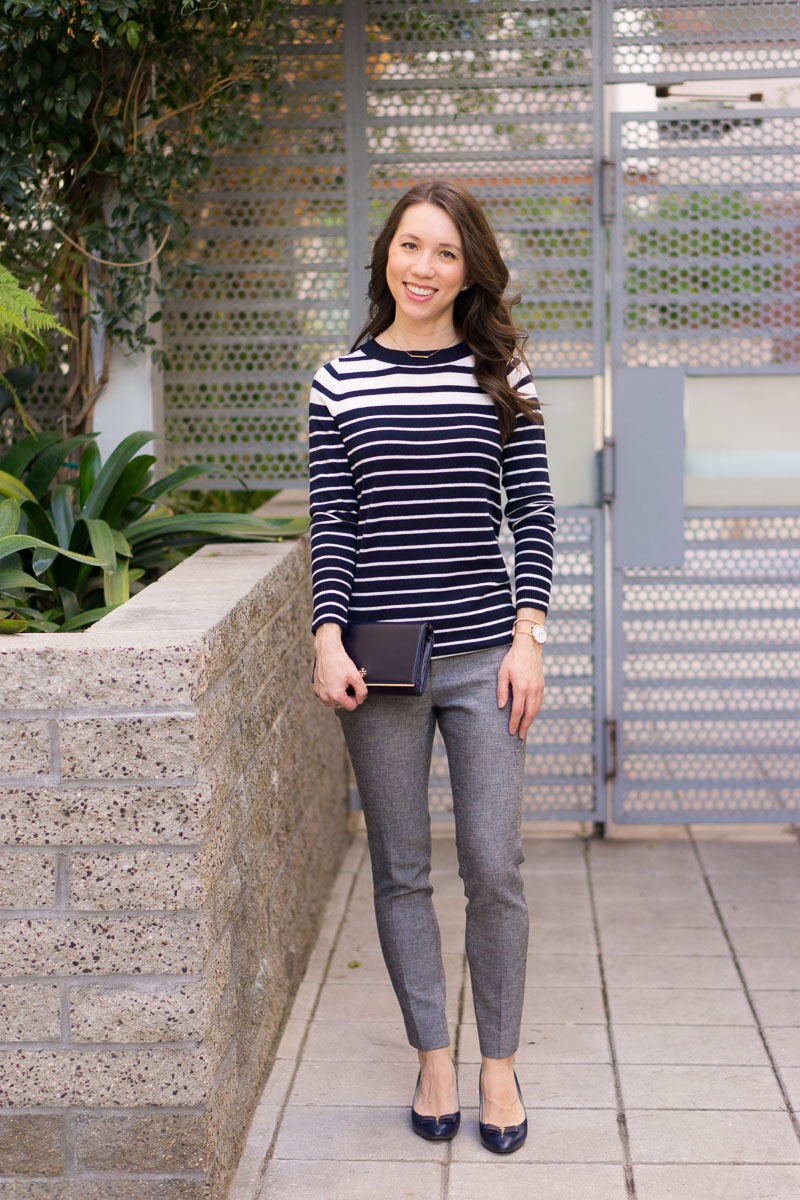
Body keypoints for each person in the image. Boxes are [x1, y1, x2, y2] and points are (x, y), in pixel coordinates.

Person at [307, 179, 556, 1154]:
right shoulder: (340, 382)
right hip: (379, 664)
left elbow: (532, 515)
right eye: (408, 246)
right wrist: (326, 638)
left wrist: (527, 637)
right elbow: (335, 524)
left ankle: (497, 1065)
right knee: (401, 870)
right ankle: (432, 1058)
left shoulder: (502, 374)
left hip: (484, 658)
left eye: (444, 253)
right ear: (384, 256)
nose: (422, 267)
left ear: (468, 271)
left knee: (494, 865)